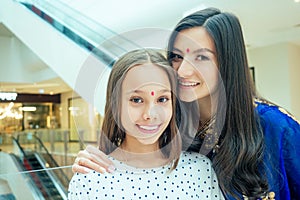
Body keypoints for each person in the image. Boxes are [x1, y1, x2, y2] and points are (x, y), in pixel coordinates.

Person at [72, 8, 300, 199]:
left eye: (201, 57)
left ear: (227, 62)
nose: (183, 70)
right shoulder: (171, 119)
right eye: (177, 57)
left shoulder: (276, 128)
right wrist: (94, 160)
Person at [68, 49, 224, 199]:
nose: (150, 114)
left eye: (162, 99)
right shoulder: (89, 178)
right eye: (137, 100)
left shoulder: (199, 169)